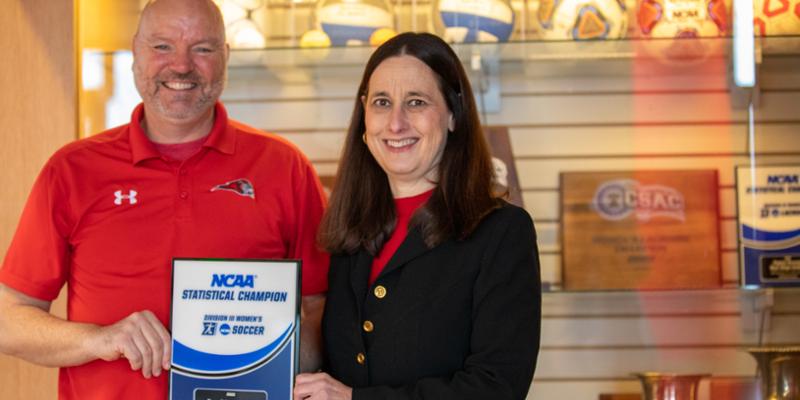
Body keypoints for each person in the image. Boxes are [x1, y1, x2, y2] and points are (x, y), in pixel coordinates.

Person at [0, 0, 328, 398]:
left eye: (202, 49)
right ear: (135, 53)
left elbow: (318, 306)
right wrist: (100, 340)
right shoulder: (72, 170)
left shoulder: (284, 167)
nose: (182, 65)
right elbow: (8, 319)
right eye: (162, 46)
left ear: (225, 57)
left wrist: (274, 356)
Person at [293, 32, 541, 400]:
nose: (395, 124)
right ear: (364, 118)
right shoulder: (349, 234)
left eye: (416, 102)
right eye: (381, 102)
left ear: (454, 114)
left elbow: (497, 387)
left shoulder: (502, 233)